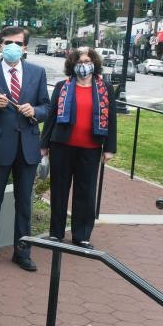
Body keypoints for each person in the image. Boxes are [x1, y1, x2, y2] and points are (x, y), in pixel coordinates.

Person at [0, 26, 51, 272]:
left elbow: (47, 107)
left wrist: (35, 112)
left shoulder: (37, 73)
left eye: (17, 43)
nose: (12, 47)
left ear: (25, 47)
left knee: (24, 204)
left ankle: (22, 252)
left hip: (27, 147)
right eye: (7, 42)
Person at [40, 47, 117, 248]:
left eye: (87, 61)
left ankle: (81, 236)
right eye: (79, 62)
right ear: (73, 65)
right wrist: (44, 145)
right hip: (62, 146)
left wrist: (109, 148)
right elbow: (51, 117)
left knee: (86, 192)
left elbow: (112, 120)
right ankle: (56, 233)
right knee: (59, 191)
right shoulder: (62, 86)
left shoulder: (105, 88)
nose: (84, 66)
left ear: (94, 64)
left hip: (90, 148)